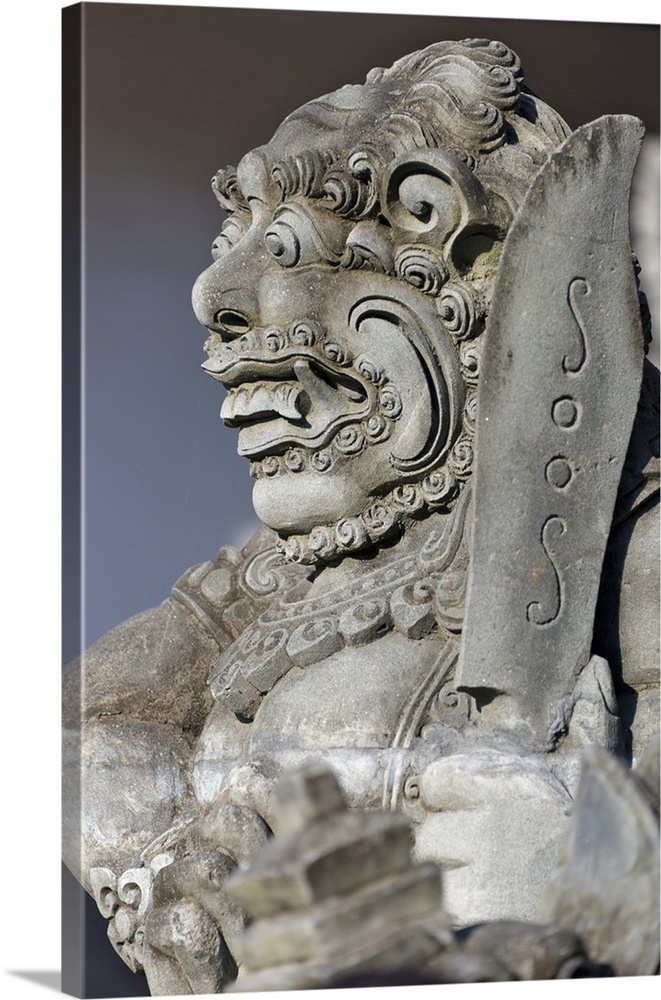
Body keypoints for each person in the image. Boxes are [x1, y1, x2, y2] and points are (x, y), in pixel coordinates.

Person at [63, 38, 659, 993]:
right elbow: (65, 727)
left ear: (456, 277)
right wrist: (157, 854)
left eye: (288, 248)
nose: (212, 296)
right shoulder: (277, 576)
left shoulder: (635, 542)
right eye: (232, 250)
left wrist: (594, 866)